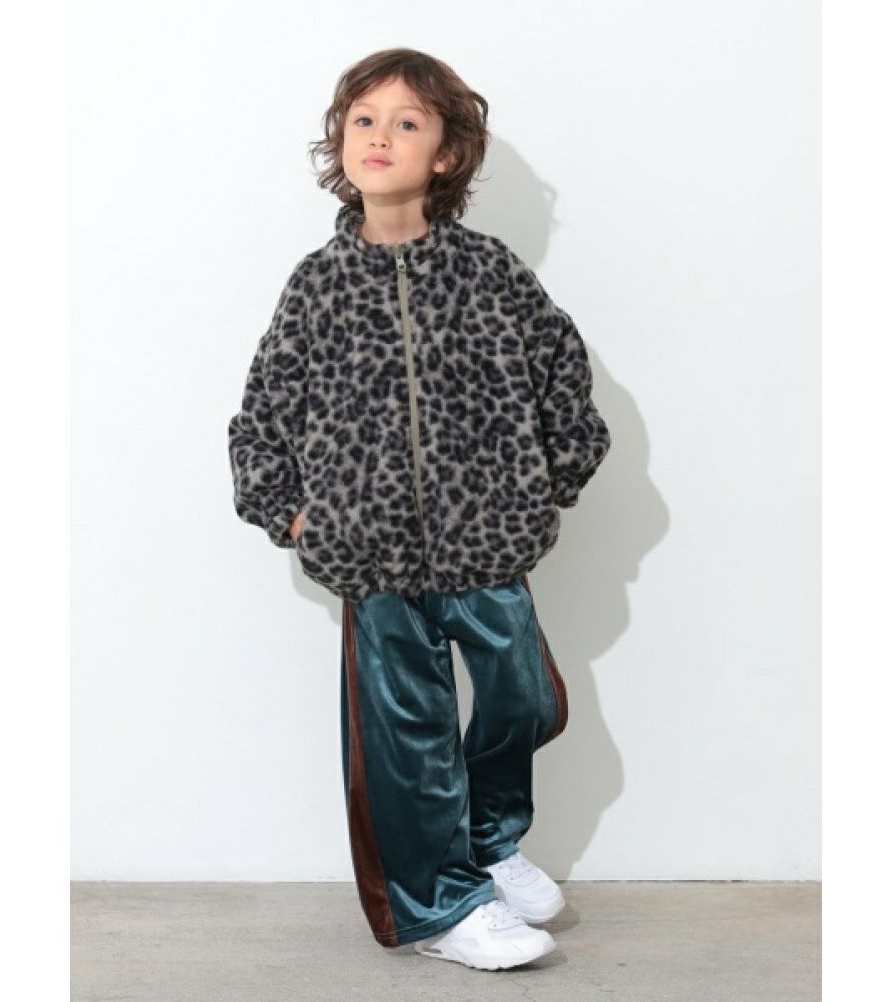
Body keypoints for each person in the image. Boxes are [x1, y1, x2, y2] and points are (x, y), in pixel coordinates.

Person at [227, 48, 612, 972]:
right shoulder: (317, 287)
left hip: (488, 544)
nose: (380, 136)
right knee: (409, 738)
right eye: (364, 120)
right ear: (340, 141)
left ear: (445, 153)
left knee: (522, 697)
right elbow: (262, 418)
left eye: (407, 122)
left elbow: (563, 374)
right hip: (374, 560)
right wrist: (295, 516)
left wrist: (544, 484)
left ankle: (487, 839)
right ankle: (442, 907)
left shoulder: (488, 272)